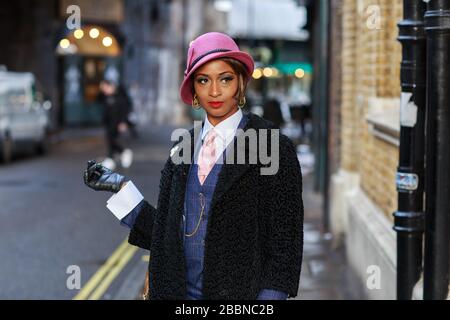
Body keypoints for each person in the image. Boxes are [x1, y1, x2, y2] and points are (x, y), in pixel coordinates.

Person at [83, 32, 304, 300]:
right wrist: (122, 189)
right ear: (194, 91)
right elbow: (166, 236)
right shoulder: (182, 148)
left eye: (225, 78)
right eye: (203, 80)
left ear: (241, 84)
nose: (214, 91)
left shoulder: (273, 147)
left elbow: (284, 245)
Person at [97, 79, 133, 170]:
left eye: (105, 87)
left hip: (117, 123)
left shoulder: (120, 96)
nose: (104, 90)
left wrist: (123, 122)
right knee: (110, 140)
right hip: (109, 122)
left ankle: (116, 155)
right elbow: (98, 99)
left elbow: (126, 109)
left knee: (111, 140)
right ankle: (113, 158)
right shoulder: (105, 97)